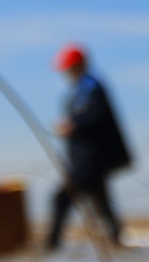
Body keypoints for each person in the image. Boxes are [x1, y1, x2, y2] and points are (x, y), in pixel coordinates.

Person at [47, 44, 132, 250]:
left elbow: (95, 118)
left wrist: (72, 126)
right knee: (101, 201)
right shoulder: (81, 89)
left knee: (62, 197)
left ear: (79, 65)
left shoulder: (92, 87)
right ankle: (116, 241)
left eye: (69, 68)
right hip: (85, 158)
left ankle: (52, 244)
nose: (67, 73)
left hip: (92, 159)